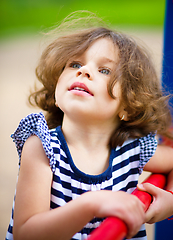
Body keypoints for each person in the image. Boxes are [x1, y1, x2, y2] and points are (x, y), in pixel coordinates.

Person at [6, 12, 173, 240]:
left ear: (128, 105)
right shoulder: (43, 148)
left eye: (104, 71)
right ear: (56, 93)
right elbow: (26, 234)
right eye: (74, 63)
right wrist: (92, 204)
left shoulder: (131, 150)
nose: (83, 71)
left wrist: (171, 198)